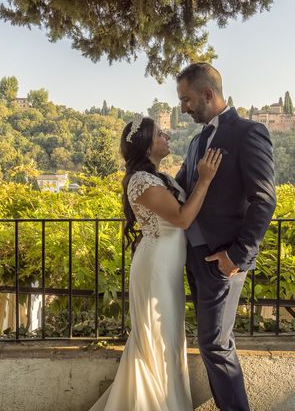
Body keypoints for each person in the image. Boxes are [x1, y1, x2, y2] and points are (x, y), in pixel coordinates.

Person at [89, 115, 222, 411]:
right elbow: (183, 218)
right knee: (156, 340)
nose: (168, 137)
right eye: (161, 134)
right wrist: (205, 179)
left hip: (168, 269)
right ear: (147, 146)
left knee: (168, 338)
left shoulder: (161, 178)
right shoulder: (140, 181)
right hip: (155, 269)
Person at [176, 62, 276, 411]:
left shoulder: (249, 132)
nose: (183, 108)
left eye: (187, 100)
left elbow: (265, 199)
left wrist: (237, 256)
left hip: (224, 259)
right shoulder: (195, 142)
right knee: (212, 343)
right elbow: (181, 188)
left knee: (215, 345)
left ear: (208, 93)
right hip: (194, 257)